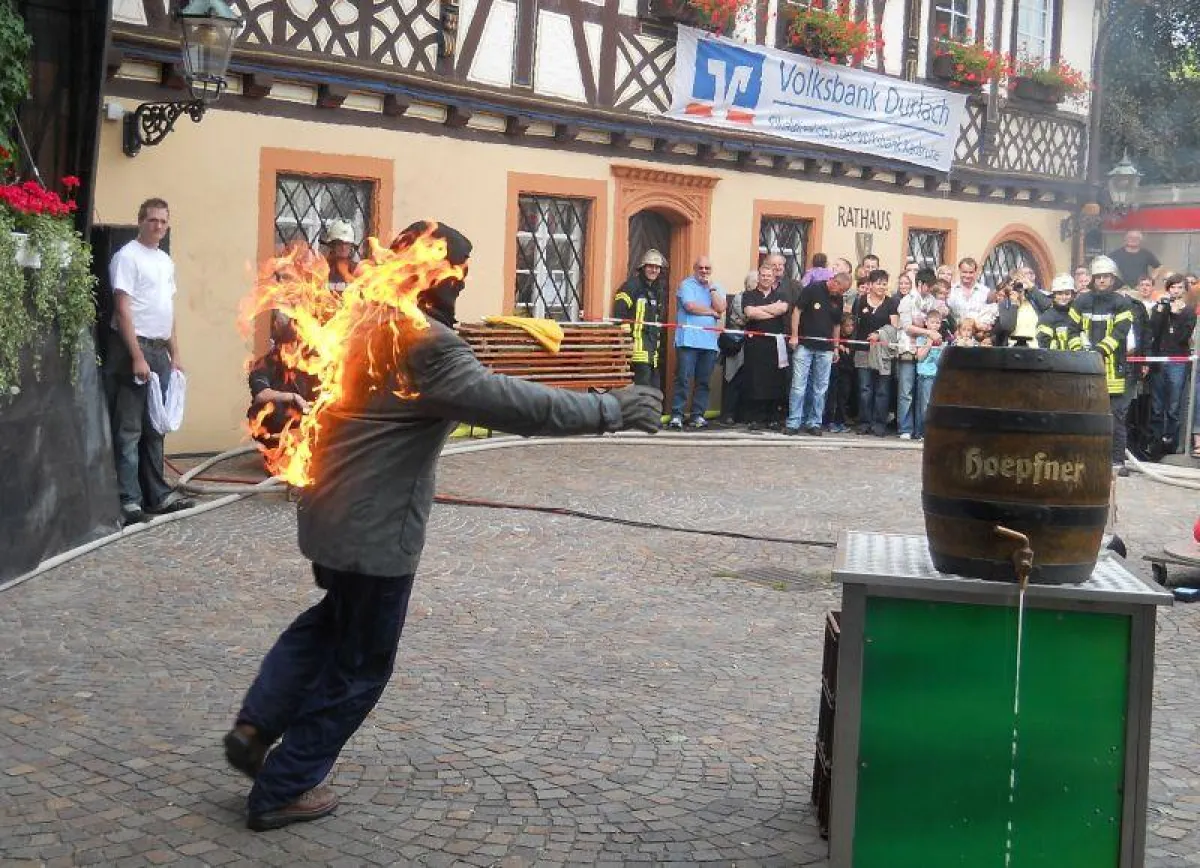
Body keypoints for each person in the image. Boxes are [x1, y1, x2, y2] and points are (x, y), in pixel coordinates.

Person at [223, 221, 664, 832]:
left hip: (330, 511)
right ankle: (283, 786)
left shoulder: (365, 319)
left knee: (328, 625)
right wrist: (609, 408)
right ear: (429, 272)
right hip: (374, 532)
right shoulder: (424, 344)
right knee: (361, 664)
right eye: (457, 268)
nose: (463, 281)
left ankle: (255, 724)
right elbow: (513, 405)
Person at [104, 197, 194, 526]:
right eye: (153, 220)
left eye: (163, 221)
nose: (158, 226)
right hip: (134, 348)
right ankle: (128, 500)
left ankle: (158, 494)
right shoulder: (127, 257)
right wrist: (137, 356)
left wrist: (175, 353)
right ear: (140, 221)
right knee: (128, 429)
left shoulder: (164, 261)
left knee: (155, 427)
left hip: (159, 350)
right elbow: (123, 309)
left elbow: (166, 311)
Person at [1068, 255, 1137, 474]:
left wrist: (1099, 351)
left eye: (1106, 276)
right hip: (1086, 370)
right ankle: (1084, 457)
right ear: (1092, 279)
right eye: (1098, 276)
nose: (1102, 280)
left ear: (1113, 278)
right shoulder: (1081, 302)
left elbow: (1120, 332)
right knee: (1085, 414)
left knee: (1115, 418)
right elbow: (1072, 329)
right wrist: (1080, 352)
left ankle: (1117, 462)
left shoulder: (1122, 303)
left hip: (1112, 370)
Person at [786, 271, 850, 436]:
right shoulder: (812, 289)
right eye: (841, 290)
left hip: (826, 348)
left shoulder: (839, 299)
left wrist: (836, 347)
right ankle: (794, 421)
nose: (841, 294)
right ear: (834, 282)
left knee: (820, 388)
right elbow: (797, 311)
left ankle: (814, 422)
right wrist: (794, 335)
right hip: (805, 345)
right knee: (798, 385)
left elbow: (836, 325)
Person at [246, 311, 317, 451]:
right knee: (270, 405)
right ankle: (275, 452)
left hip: (305, 428)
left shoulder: (309, 365)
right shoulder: (264, 365)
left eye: (297, 343)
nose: (295, 347)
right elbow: (262, 394)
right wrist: (293, 397)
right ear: (280, 345)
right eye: (290, 344)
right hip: (274, 429)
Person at [668, 256, 724, 430]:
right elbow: (690, 306)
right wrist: (711, 312)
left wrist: (712, 289)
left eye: (707, 268)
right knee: (683, 379)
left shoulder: (716, 287)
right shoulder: (687, 285)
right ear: (694, 268)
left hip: (708, 343)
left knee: (704, 381)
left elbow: (721, 308)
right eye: (701, 268)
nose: (704, 271)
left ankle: (697, 415)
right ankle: (677, 414)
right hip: (688, 340)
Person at [1149, 274, 1197, 453]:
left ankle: (1171, 442)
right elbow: (1154, 329)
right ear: (1168, 289)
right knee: (1156, 404)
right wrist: (1163, 309)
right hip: (1160, 358)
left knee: (1174, 405)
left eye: (1179, 288)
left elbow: (1182, 338)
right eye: (1172, 287)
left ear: (1185, 290)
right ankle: (1155, 440)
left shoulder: (1189, 311)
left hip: (1178, 360)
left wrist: (1178, 315)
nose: (1175, 291)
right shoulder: (1160, 306)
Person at [740, 263, 790, 430]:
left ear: (774, 278)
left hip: (774, 346)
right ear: (758, 277)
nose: (766, 278)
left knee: (774, 381)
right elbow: (750, 313)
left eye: (769, 276)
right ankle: (755, 418)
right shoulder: (749, 295)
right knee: (755, 380)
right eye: (763, 275)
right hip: (755, 345)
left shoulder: (781, 295)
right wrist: (771, 311)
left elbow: (782, 309)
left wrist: (759, 310)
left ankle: (772, 417)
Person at [852, 269, 900, 437]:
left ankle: (879, 424)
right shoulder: (860, 302)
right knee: (865, 388)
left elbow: (895, 328)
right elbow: (853, 324)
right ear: (870, 285)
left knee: (882, 390)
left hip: (882, 352)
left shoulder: (891, 303)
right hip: (863, 350)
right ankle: (864, 422)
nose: (881, 286)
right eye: (878, 283)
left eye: (884, 283)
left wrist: (880, 334)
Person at [612, 249, 667, 388]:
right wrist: (625, 343)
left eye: (657, 267)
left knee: (654, 390)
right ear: (643, 268)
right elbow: (620, 312)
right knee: (642, 391)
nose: (654, 270)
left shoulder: (656, 291)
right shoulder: (632, 286)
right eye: (650, 266)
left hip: (652, 352)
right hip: (636, 350)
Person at [913, 307, 946, 442]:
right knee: (924, 405)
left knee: (933, 404)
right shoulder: (922, 338)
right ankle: (922, 432)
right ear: (926, 323)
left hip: (937, 375)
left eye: (937, 323)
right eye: (932, 322)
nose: (935, 325)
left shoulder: (942, 339)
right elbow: (920, 357)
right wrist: (929, 342)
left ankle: (930, 430)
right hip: (925, 375)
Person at [1036, 274, 1077, 350]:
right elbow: (1044, 342)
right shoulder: (1047, 317)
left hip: (1079, 359)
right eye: (1060, 294)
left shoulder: (1077, 314)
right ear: (1054, 295)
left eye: (1067, 294)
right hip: (1055, 359)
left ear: (1072, 295)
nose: (1063, 297)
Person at [323, 219, 359, 292]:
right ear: (332, 245)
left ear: (351, 246)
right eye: (339, 243)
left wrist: (345, 274)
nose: (343, 248)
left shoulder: (358, 270)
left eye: (347, 243)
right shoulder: (322, 269)